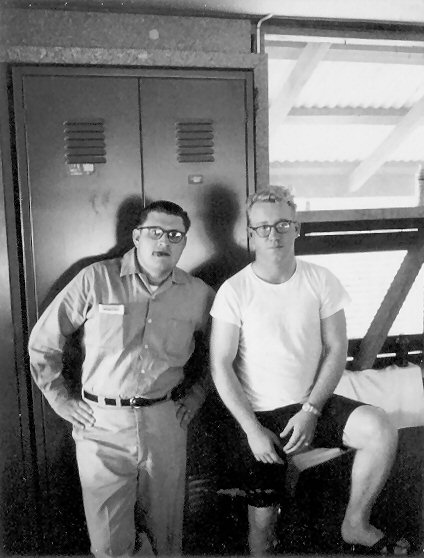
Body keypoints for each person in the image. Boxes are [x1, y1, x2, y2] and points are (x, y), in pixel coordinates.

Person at [210, 186, 409, 555]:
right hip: (259, 418)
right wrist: (252, 430)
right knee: (262, 530)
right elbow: (220, 365)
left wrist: (311, 410)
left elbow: (336, 349)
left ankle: (355, 523)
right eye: (263, 227)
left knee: (379, 428)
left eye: (283, 224)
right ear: (251, 234)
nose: (274, 234)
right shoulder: (233, 291)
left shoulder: (320, 279)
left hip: (311, 405)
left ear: (296, 228)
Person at [29, 200, 215, 558]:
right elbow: (42, 343)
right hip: (102, 428)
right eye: (154, 232)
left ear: (183, 243)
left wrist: (197, 396)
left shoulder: (198, 294)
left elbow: (226, 354)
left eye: (175, 235)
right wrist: (60, 399)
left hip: (165, 424)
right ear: (136, 237)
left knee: (166, 540)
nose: (164, 241)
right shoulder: (96, 279)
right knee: (109, 546)